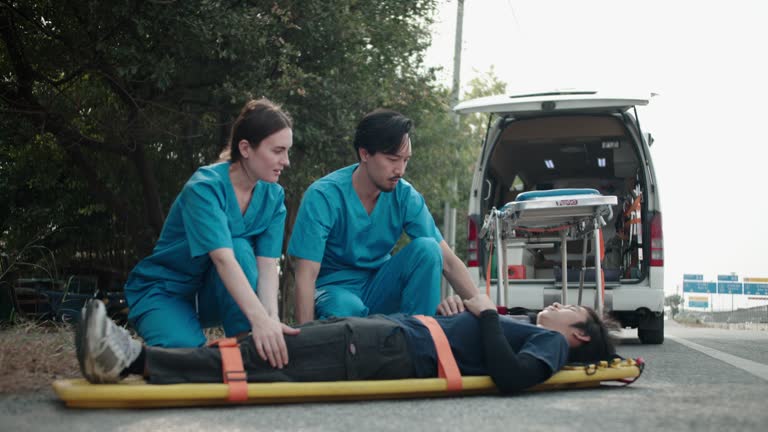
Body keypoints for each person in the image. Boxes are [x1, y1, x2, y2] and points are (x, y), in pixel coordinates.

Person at [76, 295, 617, 395]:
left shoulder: (551, 344)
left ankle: (132, 360)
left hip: (389, 350)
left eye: (574, 308)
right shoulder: (539, 328)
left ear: (579, 334)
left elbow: (513, 377)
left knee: (270, 358)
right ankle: (135, 356)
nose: (561, 303)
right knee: (270, 342)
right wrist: (470, 315)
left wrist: (486, 316)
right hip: (390, 336)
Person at [123, 98, 298, 369]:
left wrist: (270, 321)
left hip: (211, 293)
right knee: (190, 364)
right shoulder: (205, 187)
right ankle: (121, 350)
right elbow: (223, 260)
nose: (285, 161)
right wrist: (260, 319)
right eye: (277, 151)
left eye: (287, 151)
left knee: (241, 247)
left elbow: (267, 268)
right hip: (166, 292)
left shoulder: (273, 197)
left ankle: (248, 348)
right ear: (246, 148)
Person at [288, 109, 479, 324]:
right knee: (347, 307)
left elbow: (449, 263)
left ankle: (421, 342)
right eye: (392, 159)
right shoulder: (323, 196)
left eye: (405, 160)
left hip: (380, 287)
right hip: (335, 291)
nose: (400, 170)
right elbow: (305, 276)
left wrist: (486, 311)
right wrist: (305, 343)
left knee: (429, 249)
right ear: (365, 154)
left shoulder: (405, 195)